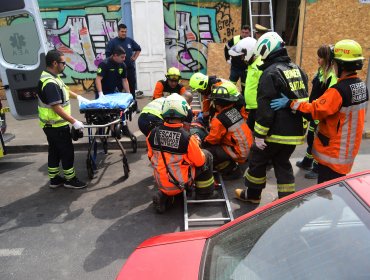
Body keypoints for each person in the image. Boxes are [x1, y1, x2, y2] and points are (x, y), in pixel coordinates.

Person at [271, 39, 368, 184]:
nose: (333, 66)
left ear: (340, 64)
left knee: (326, 194)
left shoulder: (338, 91)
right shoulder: (361, 86)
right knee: (335, 192)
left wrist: (291, 103)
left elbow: (314, 111)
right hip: (347, 152)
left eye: (334, 63)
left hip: (334, 154)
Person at [235, 32, 309, 203]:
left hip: (275, 132)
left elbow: (265, 108)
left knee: (257, 159)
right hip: (294, 132)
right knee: (282, 162)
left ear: (266, 50)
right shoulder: (298, 70)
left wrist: (260, 135)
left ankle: (252, 195)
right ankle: (286, 201)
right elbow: (303, 102)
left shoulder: (270, 73)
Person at [147, 93, 215, 213]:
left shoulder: (153, 133)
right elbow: (199, 162)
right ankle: (204, 193)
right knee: (207, 156)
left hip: (161, 182)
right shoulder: (186, 137)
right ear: (183, 112)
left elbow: (150, 156)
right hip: (180, 182)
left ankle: (165, 196)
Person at [37, 50, 87, 189]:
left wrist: (78, 97)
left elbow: (65, 90)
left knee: (54, 151)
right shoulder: (50, 83)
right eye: (63, 63)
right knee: (66, 152)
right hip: (56, 126)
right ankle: (70, 180)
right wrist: (74, 121)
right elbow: (56, 108)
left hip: (50, 125)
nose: (65, 65)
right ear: (54, 63)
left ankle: (54, 179)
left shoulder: (51, 77)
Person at [296, 45, 337, 180]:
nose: (318, 60)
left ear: (327, 59)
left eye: (320, 58)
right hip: (314, 110)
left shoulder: (331, 76)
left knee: (317, 140)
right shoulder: (321, 72)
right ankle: (308, 161)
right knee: (311, 138)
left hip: (321, 113)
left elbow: (330, 99)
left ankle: (317, 167)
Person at [203, 82, 253, 180]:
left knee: (209, 151)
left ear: (217, 104)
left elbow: (213, 139)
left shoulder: (219, 119)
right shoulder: (234, 110)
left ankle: (230, 170)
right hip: (248, 149)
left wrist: (202, 143)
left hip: (240, 153)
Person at [228, 37, 262, 131]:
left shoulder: (260, 67)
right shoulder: (252, 66)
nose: (242, 58)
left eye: (243, 55)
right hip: (252, 108)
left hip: (259, 110)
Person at [105, 23, 142, 101]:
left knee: (131, 87)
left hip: (130, 69)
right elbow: (108, 56)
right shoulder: (112, 42)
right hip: (118, 70)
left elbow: (138, 49)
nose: (124, 33)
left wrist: (134, 57)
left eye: (125, 31)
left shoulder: (129, 41)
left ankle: (133, 105)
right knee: (118, 88)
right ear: (118, 32)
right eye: (122, 31)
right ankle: (119, 106)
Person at [224, 25, 251, 93]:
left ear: (250, 33)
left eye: (246, 33)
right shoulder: (235, 39)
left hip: (246, 69)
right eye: (243, 32)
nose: (244, 34)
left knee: (245, 87)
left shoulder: (252, 41)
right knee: (230, 86)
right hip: (235, 68)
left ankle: (244, 101)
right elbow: (226, 47)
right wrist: (227, 59)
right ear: (241, 32)